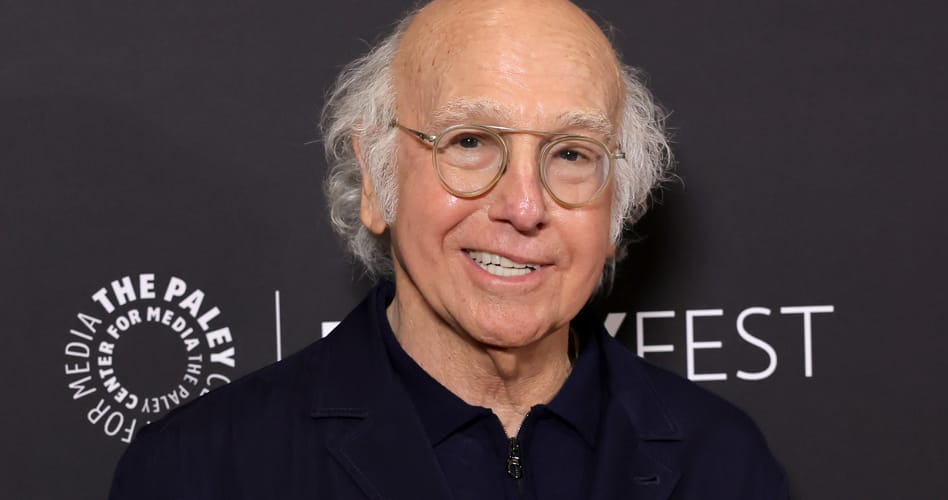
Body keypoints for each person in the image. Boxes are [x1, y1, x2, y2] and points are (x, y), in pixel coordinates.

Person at [109, 0, 788, 498]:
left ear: (616, 209)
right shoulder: (202, 472)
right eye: (469, 142)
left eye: (571, 153)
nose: (524, 206)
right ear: (375, 181)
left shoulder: (722, 466)